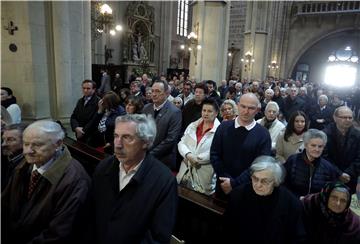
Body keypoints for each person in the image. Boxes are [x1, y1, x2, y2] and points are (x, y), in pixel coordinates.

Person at [91, 114, 178, 243]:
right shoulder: (104, 167)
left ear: (146, 142)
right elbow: (89, 216)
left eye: (127, 137)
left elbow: (157, 237)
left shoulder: (164, 181)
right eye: (116, 136)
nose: (118, 145)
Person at [2, 120, 91, 243]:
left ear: (58, 144)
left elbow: (58, 234)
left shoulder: (74, 179)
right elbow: (5, 205)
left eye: (37, 145)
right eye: (26, 144)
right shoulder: (23, 166)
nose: (28, 151)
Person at [223, 156, 307, 243]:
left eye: (265, 181)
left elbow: (298, 238)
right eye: (255, 178)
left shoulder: (291, 203)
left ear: (275, 181)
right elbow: (228, 229)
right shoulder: (238, 194)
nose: (258, 185)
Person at [210, 93, 272, 196]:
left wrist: (234, 184)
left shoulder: (263, 134)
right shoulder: (223, 127)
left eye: (251, 108)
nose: (246, 111)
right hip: (223, 185)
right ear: (238, 106)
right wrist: (226, 180)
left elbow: (260, 165)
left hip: (248, 189)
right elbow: (214, 155)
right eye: (243, 106)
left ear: (257, 110)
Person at [177, 98, 221, 195]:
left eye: (209, 111)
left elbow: (214, 152)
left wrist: (194, 159)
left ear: (216, 113)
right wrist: (188, 155)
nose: (206, 113)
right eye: (204, 110)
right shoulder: (193, 125)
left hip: (203, 172)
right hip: (185, 169)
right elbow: (181, 143)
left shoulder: (220, 130)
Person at [284, 129, 342, 197]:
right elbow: (284, 185)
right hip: (294, 203)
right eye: (313, 145)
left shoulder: (328, 168)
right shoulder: (293, 160)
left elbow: (330, 191)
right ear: (305, 145)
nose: (317, 149)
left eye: (320, 146)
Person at [142, 80, 182, 170]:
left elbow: (171, 139)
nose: (154, 94)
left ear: (166, 93)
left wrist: (150, 153)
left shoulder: (175, 112)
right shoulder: (146, 108)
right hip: (145, 155)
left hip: (163, 159)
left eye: (158, 91)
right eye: (152, 91)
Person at [323, 106, 360, 193]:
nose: (347, 120)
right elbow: (324, 157)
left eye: (350, 117)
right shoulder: (325, 134)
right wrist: (339, 174)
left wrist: (348, 173)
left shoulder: (358, 135)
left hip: (350, 177)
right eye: (344, 117)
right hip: (330, 176)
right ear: (335, 118)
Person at [1, 123, 27, 191]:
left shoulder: (27, 167)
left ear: (25, 142)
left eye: (10, 140)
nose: (3, 144)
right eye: (3, 139)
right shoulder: (5, 158)